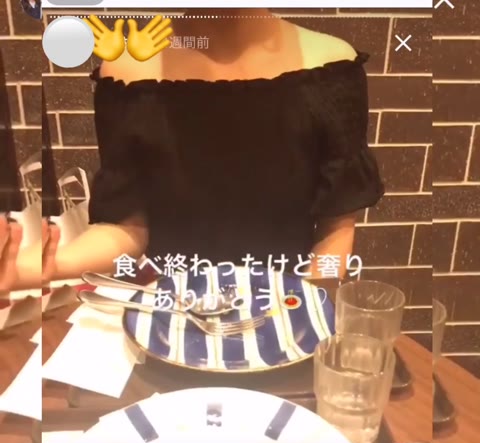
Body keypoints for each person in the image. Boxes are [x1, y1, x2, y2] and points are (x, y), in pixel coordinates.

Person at [2, 8, 383, 291]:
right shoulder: (128, 73)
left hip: (284, 315)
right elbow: (127, 230)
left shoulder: (333, 68)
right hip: (173, 318)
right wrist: (41, 265)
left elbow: (336, 233)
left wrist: (299, 315)